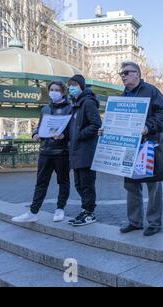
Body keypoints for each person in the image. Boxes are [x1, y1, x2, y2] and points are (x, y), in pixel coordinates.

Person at [100, 61, 163, 236]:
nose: (122, 76)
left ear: (137, 74)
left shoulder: (151, 91)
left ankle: (154, 223)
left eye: (126, 73)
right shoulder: (122, 97)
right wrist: (105, 130)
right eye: (121, 74)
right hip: (129, 148)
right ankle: (135, 221)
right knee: (131, 185)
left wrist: (147, 127)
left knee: (153, 185)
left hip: (150, 146)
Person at [12, 81, 72, 223]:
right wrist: (35, 134)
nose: (53, 92)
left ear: (63, 92)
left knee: (63, 182)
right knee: (40, 183)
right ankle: (33, 211)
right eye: (51, 89)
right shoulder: (45, 109)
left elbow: (72, 130)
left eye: (57, 90)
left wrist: (65, 135)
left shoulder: (70, 108)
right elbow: (39, 127)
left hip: (62, 152)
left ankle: (60, 209)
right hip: (45, 151)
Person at [67, 74, 102, 226]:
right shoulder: (76, 105)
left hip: (86, 152)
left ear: (81, 86)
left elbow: (96, 124)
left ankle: (90, 212)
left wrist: (80, 135)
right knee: (79, 184)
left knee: (87, 184)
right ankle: (85, 209)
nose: (71, 88)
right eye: (70, 85)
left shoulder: (87, 103)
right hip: (76, 152)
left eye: (74, 85)